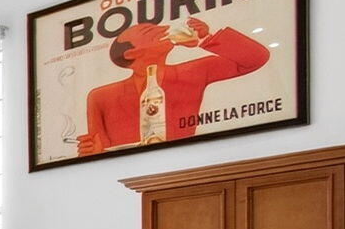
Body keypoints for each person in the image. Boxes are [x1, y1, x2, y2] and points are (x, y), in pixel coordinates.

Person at [78, 14, 270, 155]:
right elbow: (97, 151)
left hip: (184, 167)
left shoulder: (193, 72)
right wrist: (90, 151)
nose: (163, 29)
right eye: (149, 31)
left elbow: (256, 58)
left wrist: (205, 38)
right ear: (131, 54)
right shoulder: (101, 97)